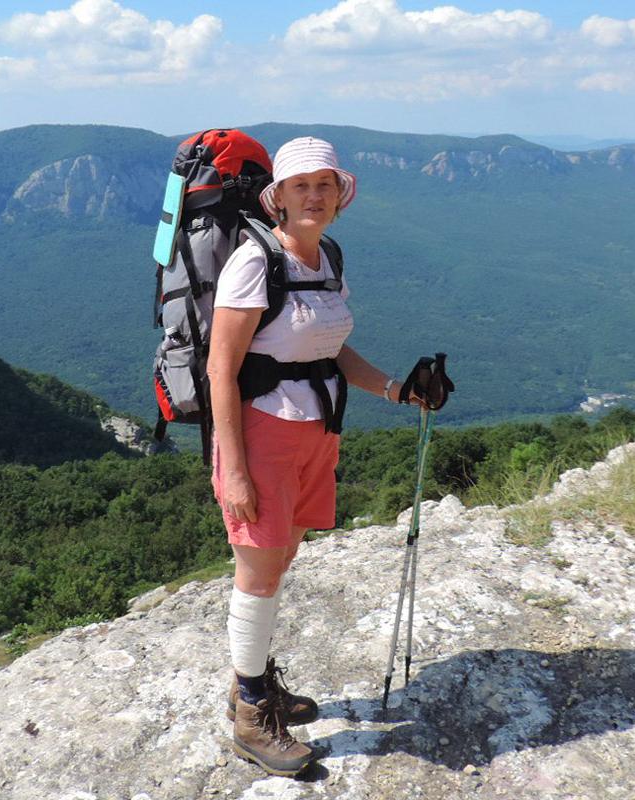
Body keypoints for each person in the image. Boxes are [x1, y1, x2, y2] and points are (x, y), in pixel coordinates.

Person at [206, 136, 436, 777]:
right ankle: (251, 714)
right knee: (258, 573)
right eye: (301, 186)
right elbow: (220, 370)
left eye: (325, 185)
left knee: (280, 563)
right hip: (261, 437)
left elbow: (330, 351)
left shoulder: (328, 257)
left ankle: (250, 682)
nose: (315, 196)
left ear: (340, 195)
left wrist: (396, 389)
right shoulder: (255, 263)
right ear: (277, 198)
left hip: (318, 434)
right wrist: (236, 469)